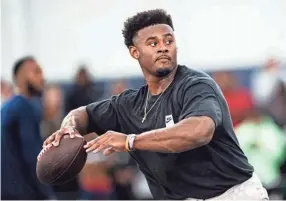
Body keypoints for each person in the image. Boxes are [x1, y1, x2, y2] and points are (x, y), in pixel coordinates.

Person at [43, 9, 269, 200]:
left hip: (232, 194)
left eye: (168, 41)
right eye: (153, 43)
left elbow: (200, 131)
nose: (163, 47)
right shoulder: (129, 104)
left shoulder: (196, 85)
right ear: (135, 52)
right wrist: (68, 128)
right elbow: (82, 114)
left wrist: (131, 141)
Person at [1, 56, 53, 199]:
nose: (42, 77)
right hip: (24, 192)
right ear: (21, 77)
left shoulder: (8, 107)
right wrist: (46, 194)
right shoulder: (25, 108)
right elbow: (33, 156)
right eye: (36, 72)